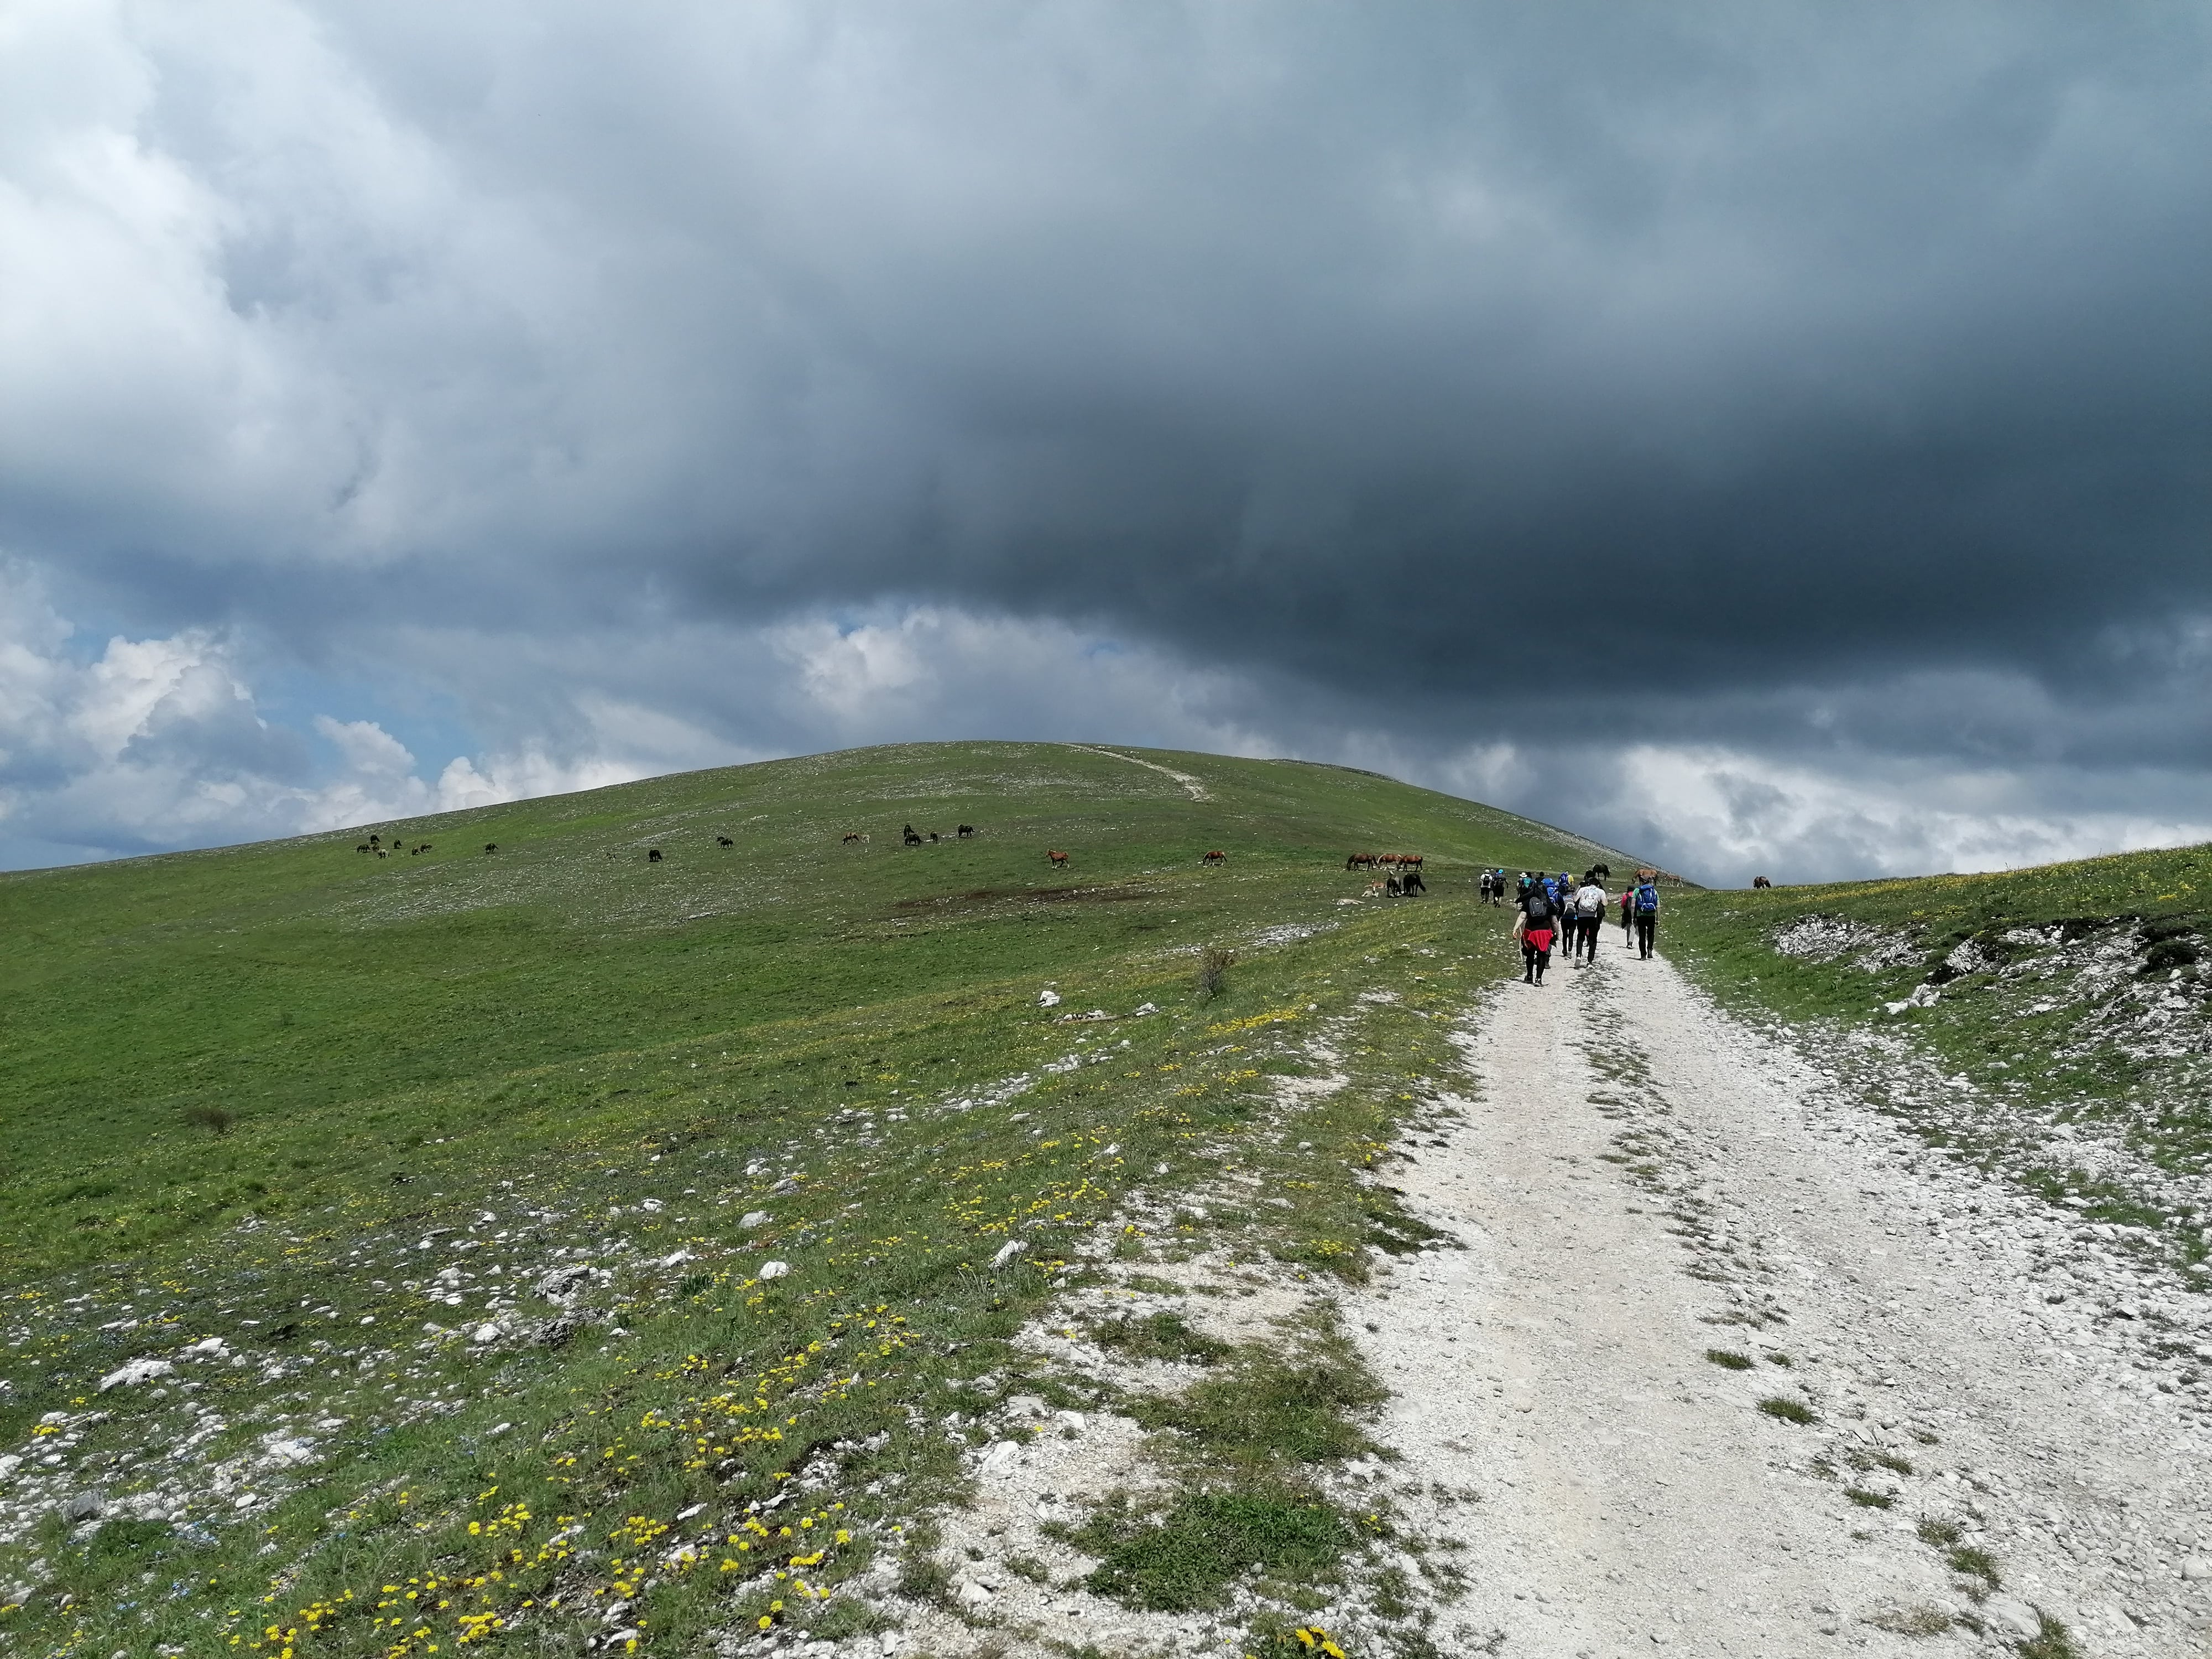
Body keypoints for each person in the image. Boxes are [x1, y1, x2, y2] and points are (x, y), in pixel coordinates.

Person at [1518, 875, 1555, 984]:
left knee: (1530, 954)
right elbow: (1554, 921)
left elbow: (1522, 917)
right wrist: (1557, 932)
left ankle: (1529, 976)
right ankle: (1539, 979)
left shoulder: (1528, 902)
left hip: (1530, 931)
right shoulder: (1548, 903)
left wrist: (1515, 929)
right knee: (1541, 955)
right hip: (1544, 932)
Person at [1573, 875, 1607, 962]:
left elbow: (1575, 900)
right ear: (1598, 885)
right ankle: (1590, 961)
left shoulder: (1583, 889)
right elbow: (1605, 903)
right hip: (1593, 917)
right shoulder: (1600, 891)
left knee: (1580, 936)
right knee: (1593, 938)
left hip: (1581, 916)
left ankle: (1579, 955)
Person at [1633, 874, 1660, 959]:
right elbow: (1658, 906)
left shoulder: (1637, 891)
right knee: (1651, 934)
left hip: (1640, 915)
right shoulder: (1654, 891)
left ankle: (1643, 955)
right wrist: (1658, 919)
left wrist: (1633, 917)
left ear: (1641, 881)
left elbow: (1633, 906)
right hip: (1651, 916)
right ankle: (1650, 950)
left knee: (1642, 935)